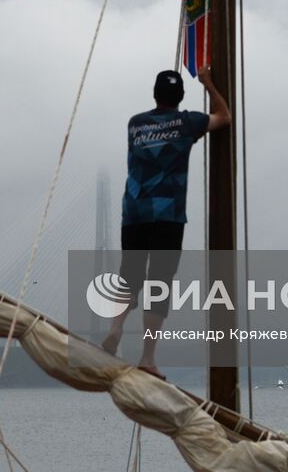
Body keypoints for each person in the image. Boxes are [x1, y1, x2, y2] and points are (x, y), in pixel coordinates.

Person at [101, 66, 230, 378]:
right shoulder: (188, 123)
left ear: (155, 95)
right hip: (167, 215)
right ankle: (147, 357)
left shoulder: (136, 124)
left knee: (129, 275)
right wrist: (210, 83)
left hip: (134, 212)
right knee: (159, 284)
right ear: (181, 97)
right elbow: (224, 116)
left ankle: (115, 328)